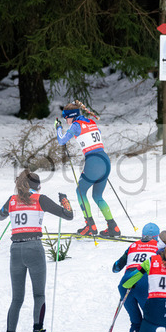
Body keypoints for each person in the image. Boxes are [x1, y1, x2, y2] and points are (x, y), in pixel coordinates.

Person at [0, 169, 73, 332]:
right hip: (34, 249)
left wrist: (12, 210)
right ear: (36, 186)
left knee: (17, 299)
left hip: (16, 250)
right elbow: (68, 215)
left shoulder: (12, 200)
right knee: (39, 295)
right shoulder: (40, 199)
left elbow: (0, 216)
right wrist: (65, 201)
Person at [55, 100, 120, 237]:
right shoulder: (91, 122)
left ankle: (90, 226)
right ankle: (113, 227)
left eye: (66, 118)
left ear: (71, 116)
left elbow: (61, 140)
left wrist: (58, 128)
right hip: (105, 160)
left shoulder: (76, 125)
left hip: (94, 161)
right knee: (97, 196)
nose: (66, 121)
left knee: (80, 191)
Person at [112, 223, 161, 332]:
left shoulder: (133, 246)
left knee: (136, 322)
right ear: (156, 237)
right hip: (144, 284)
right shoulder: (158, 246)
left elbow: (116, 267)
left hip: (125, 284)